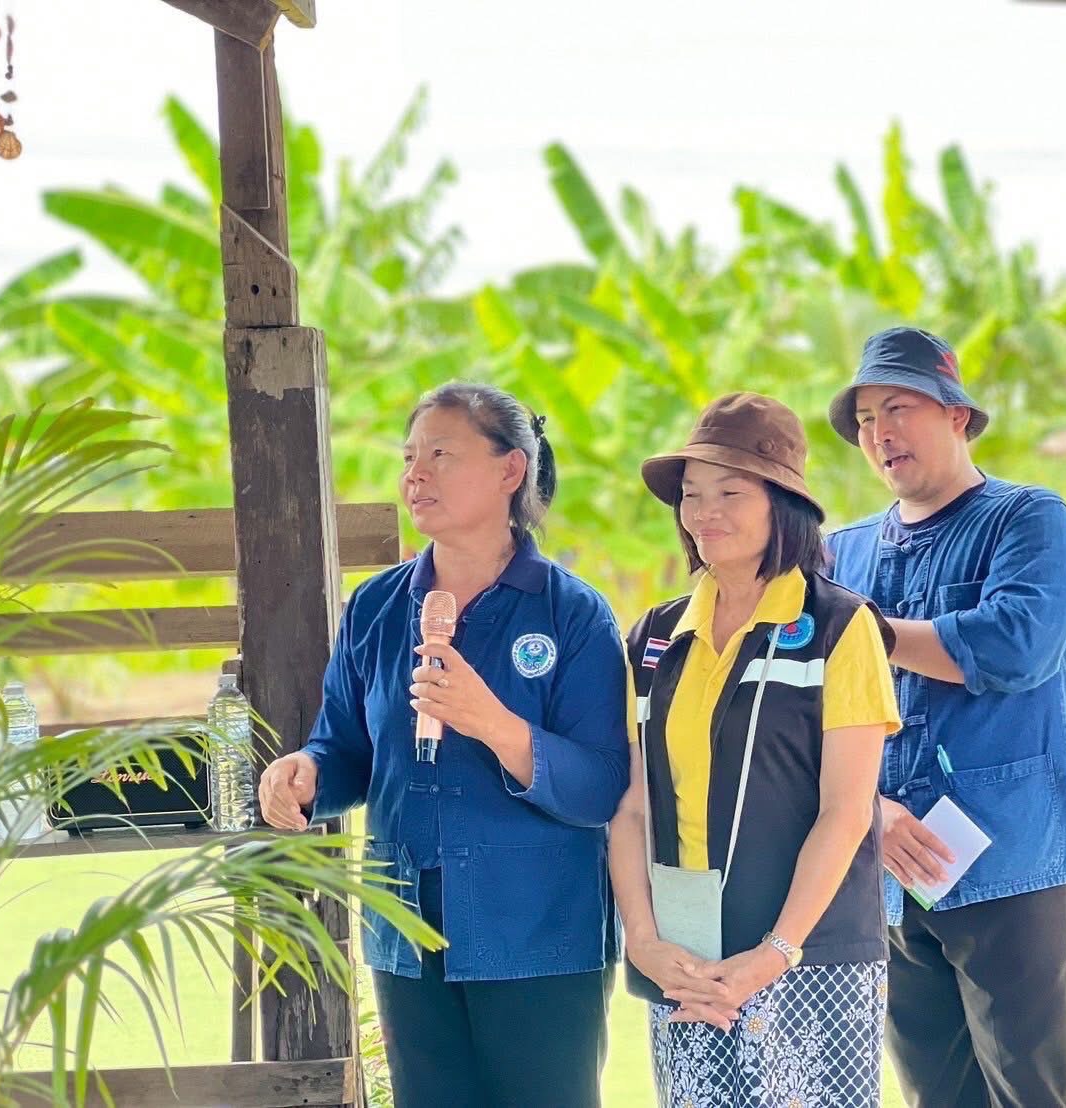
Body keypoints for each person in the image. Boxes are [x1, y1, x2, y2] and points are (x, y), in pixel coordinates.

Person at [257, 382, 630, 1108]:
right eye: (408, 457)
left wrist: (492, 722)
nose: (414, 475)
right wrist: (305, 771)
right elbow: (345, 748)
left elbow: (601, 786)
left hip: (539, 936)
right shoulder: (375, 605)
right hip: (405, 932)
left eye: (440, 455)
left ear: (509, 471)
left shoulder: (572, 613)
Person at [824, 326, 1066, 1108]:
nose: (879, 433)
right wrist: (866, 809)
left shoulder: (1027, 521)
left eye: (898, 407)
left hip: (1011, 864)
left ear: (956, 415)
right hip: (887, 872)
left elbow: (1013, 647)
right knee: (933, 1092)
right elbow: (805, 712)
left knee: (1033, 1090)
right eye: (866, 418)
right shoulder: (840, 554)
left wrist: (864, 633)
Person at [609, 392, 901, 1107]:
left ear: (782, 504)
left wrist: (773, 953)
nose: (704, 511)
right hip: (684, 959)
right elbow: (630, 805)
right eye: (690, 495)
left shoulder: (839, 626)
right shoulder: (655, 634)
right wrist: (644, 941)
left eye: (730, 492)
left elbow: (845, 811)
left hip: (810, 957)